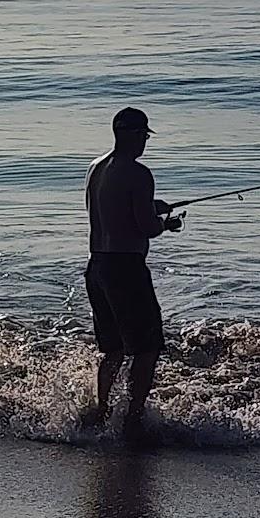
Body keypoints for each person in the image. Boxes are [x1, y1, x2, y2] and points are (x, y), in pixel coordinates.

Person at [84, 106, 181, 445]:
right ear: (134, 134)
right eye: (143, 136)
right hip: (126, 268)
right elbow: (145, 227)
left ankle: (101, 411)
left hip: (97, 266)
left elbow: (113, 213)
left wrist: (150, 206)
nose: (144, 143)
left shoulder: (95, 168)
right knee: (146, 348)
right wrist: (165, 224)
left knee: (112, 349)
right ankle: (132, 419)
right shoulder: (140, 174)